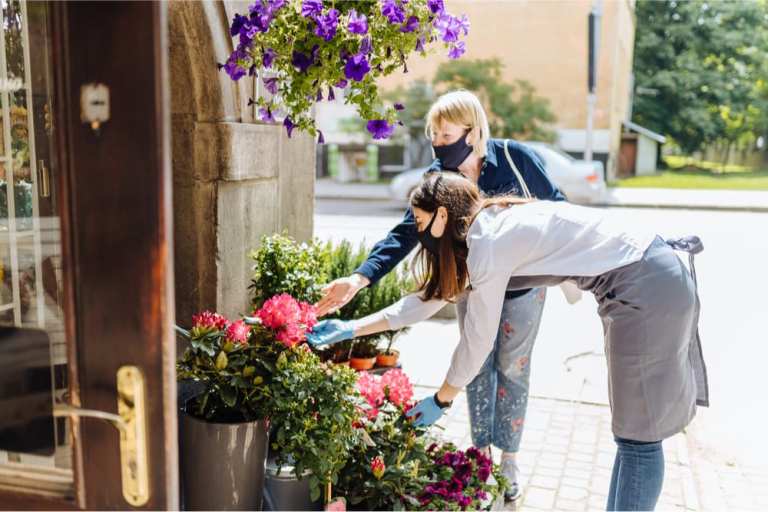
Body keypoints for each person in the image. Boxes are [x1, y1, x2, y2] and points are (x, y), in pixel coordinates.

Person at [308, 172, 709, 511]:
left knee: (640, 438)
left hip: (645, 284)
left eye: (419, 220)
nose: (417, 231)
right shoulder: (486, 229)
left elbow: (477, 338)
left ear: (442, 215)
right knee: (631, 434)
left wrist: (443, 398)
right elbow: (427, 301)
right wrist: (353, 327)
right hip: (642, 279)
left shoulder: (488, 243)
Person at [314, 90, 565, 500]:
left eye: (447, 135)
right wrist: (360, 278)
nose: (439, 144)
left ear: (473, 130)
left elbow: (557, 209)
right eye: (434, 135)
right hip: (470, 282)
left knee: (513, 368)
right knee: (476, 363)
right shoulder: (438, 178)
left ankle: (510, 457)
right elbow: (405, 234)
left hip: (524, 289)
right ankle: (481, 455)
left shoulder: (515, 159)